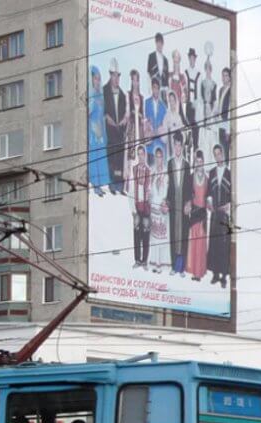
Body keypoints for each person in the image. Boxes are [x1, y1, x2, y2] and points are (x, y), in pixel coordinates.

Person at [206, 143, 232, 287]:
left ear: (223, 153)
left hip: (225, 214)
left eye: (219, 153)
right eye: (215, 155)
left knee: (224, 244)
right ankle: (215, 274)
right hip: (215, 212)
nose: (218, 157)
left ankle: (223, 276)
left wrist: (228, 205)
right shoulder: (211, 172)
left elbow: (232, 195)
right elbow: (209, 192)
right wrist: (209, 203)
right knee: (215, 243)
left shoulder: (229, 173)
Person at [166, 133, 191, 277]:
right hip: (173, 204)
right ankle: (173, 266)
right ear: (173, 146)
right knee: (173, 235)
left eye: (179, 145)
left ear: (182, 146)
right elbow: (169, 186)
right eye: (175, 144)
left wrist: (188, 203)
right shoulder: (170, 163)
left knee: (183, 235)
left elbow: (188, 187)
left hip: (183, 205)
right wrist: (167, 201)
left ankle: (181, 268)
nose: (177, 147)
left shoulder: (186, 165)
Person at [102, 58, 127, 193]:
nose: (117, 79)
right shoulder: (104, 91)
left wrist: (124, 121)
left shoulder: (122, 95)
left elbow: (124, 113)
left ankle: (119, 184)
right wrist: (107, 118)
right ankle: (112, 183)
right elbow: (103, 112)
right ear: (110, 75)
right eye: (114, 76)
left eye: (118, 76)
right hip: (109, 132)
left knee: (120, 158)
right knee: (111, 157)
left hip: (119, 132)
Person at [187, 148, 210, 280]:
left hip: (203, 213)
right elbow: (189, 194)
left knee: (201, 241)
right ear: (195, 162)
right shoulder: (191, 177)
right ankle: (193, 271)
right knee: (194, 240)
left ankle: (199, 272)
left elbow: (209, 197)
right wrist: (188, 204)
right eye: (197, 161)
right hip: (194, 211)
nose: (199, 163)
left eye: (201, 161)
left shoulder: (207, 178)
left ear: (203, 162)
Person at [147, 147, 170, 270]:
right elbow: (149, 189)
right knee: (154, 238)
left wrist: (164, 202)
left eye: (161, 157)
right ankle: (154, 263)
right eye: (157, 156)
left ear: (163, 158)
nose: (158, 159)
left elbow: (168, 189)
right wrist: (150, 198)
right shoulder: (152, 171)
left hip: (162, 208)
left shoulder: (166, 172)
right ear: (155, 158)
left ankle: (162, 264)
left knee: (162, 237)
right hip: (153, 208)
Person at [87, 66, 109, 193]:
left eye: (99, 79)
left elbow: (102, 116)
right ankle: (95, 185)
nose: (98, 81)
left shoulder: (100, 97)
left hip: (100, 132)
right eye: (95, 79)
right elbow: (88, 115)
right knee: (94, 157)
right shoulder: (91, 97)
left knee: (100, 157)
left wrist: (103, 133)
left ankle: (99, 185)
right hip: (92, 132)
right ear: (91, 80)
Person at [128, 145, 151, 268]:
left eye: (142, 154)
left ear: (145, 155)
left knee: (146, 234)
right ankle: (137, 260)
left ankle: (144, 261)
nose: (140, 156)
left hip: (146, 207)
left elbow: (151, 189)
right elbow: (131, 191)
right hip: (137, 206)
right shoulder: (134, 169)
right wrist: (132, 209)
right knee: (137, 234)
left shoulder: (149, 170)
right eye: (139, 154)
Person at [143, 79, 167, 162]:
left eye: (157, 88)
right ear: (152, 88)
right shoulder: (146, 103)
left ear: (159, 90)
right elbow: (144, 123)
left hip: (160, 146)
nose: (155, 90)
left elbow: (164, 127)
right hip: (149, 146)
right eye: (154, 88)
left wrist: (157, 132)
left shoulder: (163, 107)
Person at [184, 48, 202, 149]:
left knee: (196, 127)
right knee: (187, 125)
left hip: (196, 105)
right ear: (188, 59)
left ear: (195, 59)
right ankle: (188, 144)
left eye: (193, 58)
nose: (192, 60)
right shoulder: (185, 72)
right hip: (187, 104)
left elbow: (199, 92)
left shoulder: (199, 74)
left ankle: (195, 147)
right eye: (190, 58)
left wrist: (197, 104)